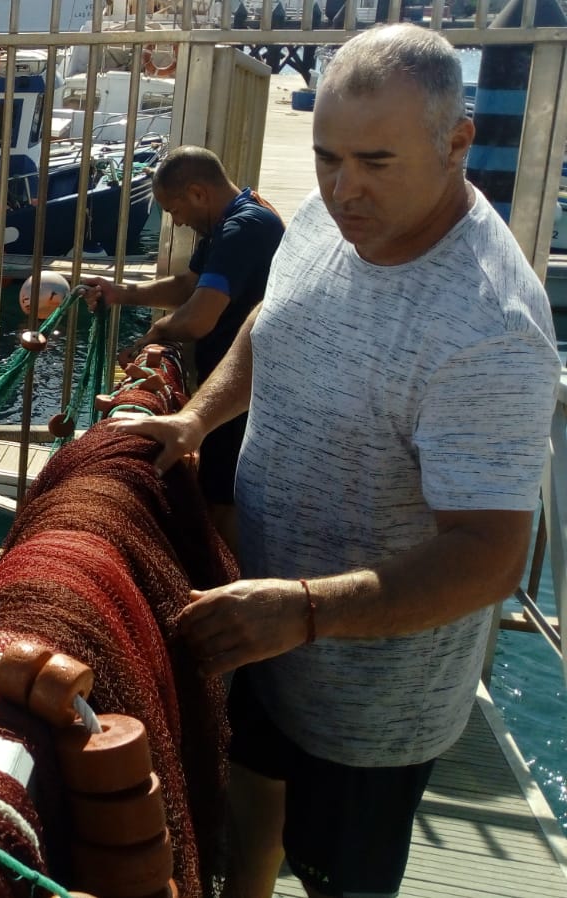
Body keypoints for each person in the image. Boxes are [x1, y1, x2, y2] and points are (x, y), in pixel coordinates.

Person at [109, 24, 558, 898]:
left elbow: (492, 556)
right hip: (263, 628)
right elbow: (272, 323)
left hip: (370, 706)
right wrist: (195, 420)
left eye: (376, 162)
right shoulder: (325, 219)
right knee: (248, 829)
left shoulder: (492, 329)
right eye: (327, 157)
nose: (344, 189)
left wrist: (308, 610)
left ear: (457, 143)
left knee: (336, 877)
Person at [83, 145, 285, 545]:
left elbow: (198, 318)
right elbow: (189, 287)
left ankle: (228, 577)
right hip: (240, 389)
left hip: (246, 395)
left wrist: (154, 335)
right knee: (217, 493)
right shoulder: (233, 221)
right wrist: (122, 293)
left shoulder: (243, 229)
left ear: (197, 193)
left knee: (224, 502)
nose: (176, 222)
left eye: (174, 209)